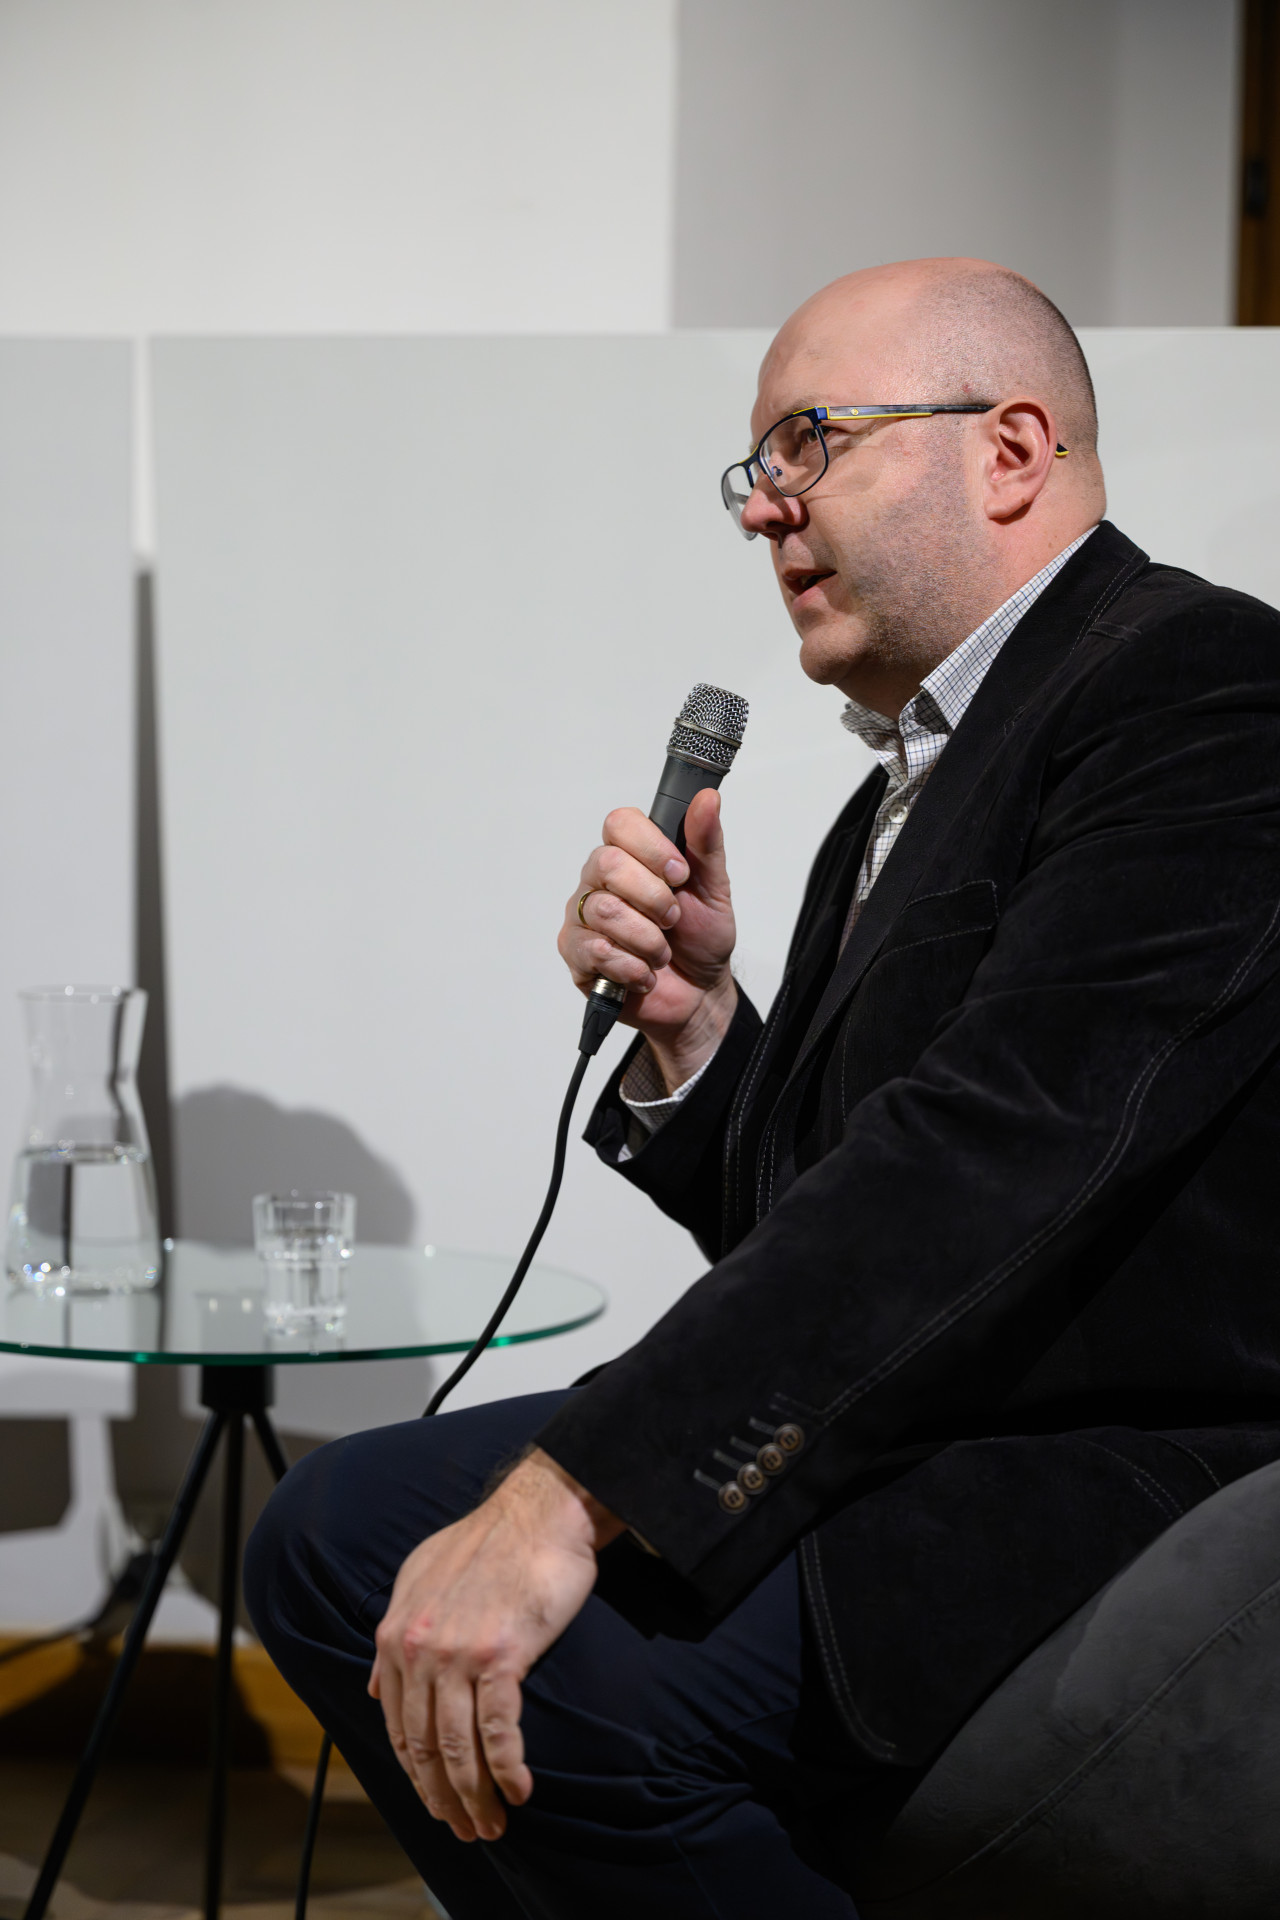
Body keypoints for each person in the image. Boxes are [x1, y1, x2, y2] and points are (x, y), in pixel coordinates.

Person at [246, 258, 1280, 1918]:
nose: (761, 505)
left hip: (1078, 1467)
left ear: (1012, 449)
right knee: (331, 1527)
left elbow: (993, 1157)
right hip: (918, 1424)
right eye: (755, 461)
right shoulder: (909, 780)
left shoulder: (1200, 685)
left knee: (478, 1620)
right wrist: (699, 1030)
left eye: (810, 441)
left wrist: (577, 1492)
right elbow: (824, 1208)